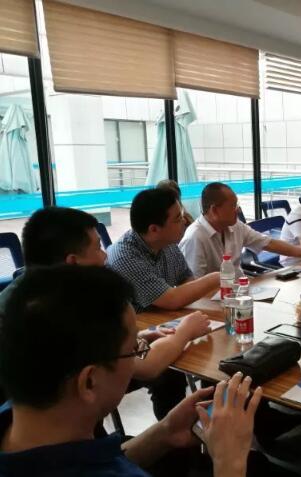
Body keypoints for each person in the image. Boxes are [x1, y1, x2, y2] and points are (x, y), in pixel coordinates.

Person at [0, 265, 261, 477]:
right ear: (89, 382)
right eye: (135, 348)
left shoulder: (18, 419)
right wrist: (229, 464)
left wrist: (165, 431)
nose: (139, 353)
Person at [0, 206, 212, 421]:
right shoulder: (50, 310)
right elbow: (148, 367)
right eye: (98, 248)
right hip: (54, 426)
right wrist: (185, 331)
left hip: (42, 419)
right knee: (165, 369)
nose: (104, 257)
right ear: (72, 261)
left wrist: (136, 339)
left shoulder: (33, 291)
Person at [107, 188, 220, 312]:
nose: (184, 221)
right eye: (178, 219)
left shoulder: (167, 242)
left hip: (163, 318)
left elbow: (186, 279)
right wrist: (217, 277)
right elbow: (171, 300)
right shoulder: (124, 258)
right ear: (154, 229)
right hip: (138, 322)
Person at [179, 182, 301, 278]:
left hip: (240, 291)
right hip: (213, 300)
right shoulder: (195, 237)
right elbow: (194, 286)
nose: (238, 210)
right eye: (233, 206)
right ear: (214, 210)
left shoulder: (236, 226)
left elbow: (269, 243)